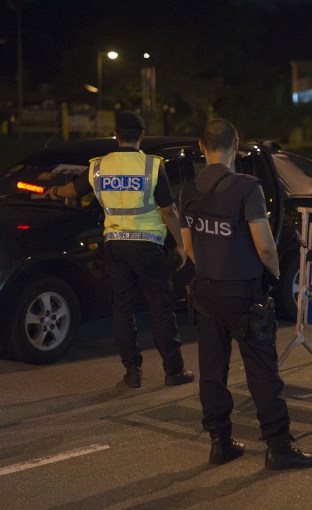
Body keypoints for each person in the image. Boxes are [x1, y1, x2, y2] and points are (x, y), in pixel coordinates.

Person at [179, 118, 312, 470]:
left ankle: (220, 442)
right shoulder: (246, 188)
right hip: (242, 293)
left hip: (205, 290)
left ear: (201, 146)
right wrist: (271, 277)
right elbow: (265, 246)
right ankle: (278, 447)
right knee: (262, 371)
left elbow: (188, 247)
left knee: (212, 369)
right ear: (235, 145)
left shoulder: (189, 188)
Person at [47, 111, 194, 389]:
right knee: (161, 310)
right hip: (148, 247)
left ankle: (132, 372)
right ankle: (174, 371)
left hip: (115, 247)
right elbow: (169, 210)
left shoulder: (99, 167)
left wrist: (52, 192)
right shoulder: (152, 166)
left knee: (122, 310)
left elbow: (71, 191)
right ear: (142, 135)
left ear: (116, 135)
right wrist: (181, 245)